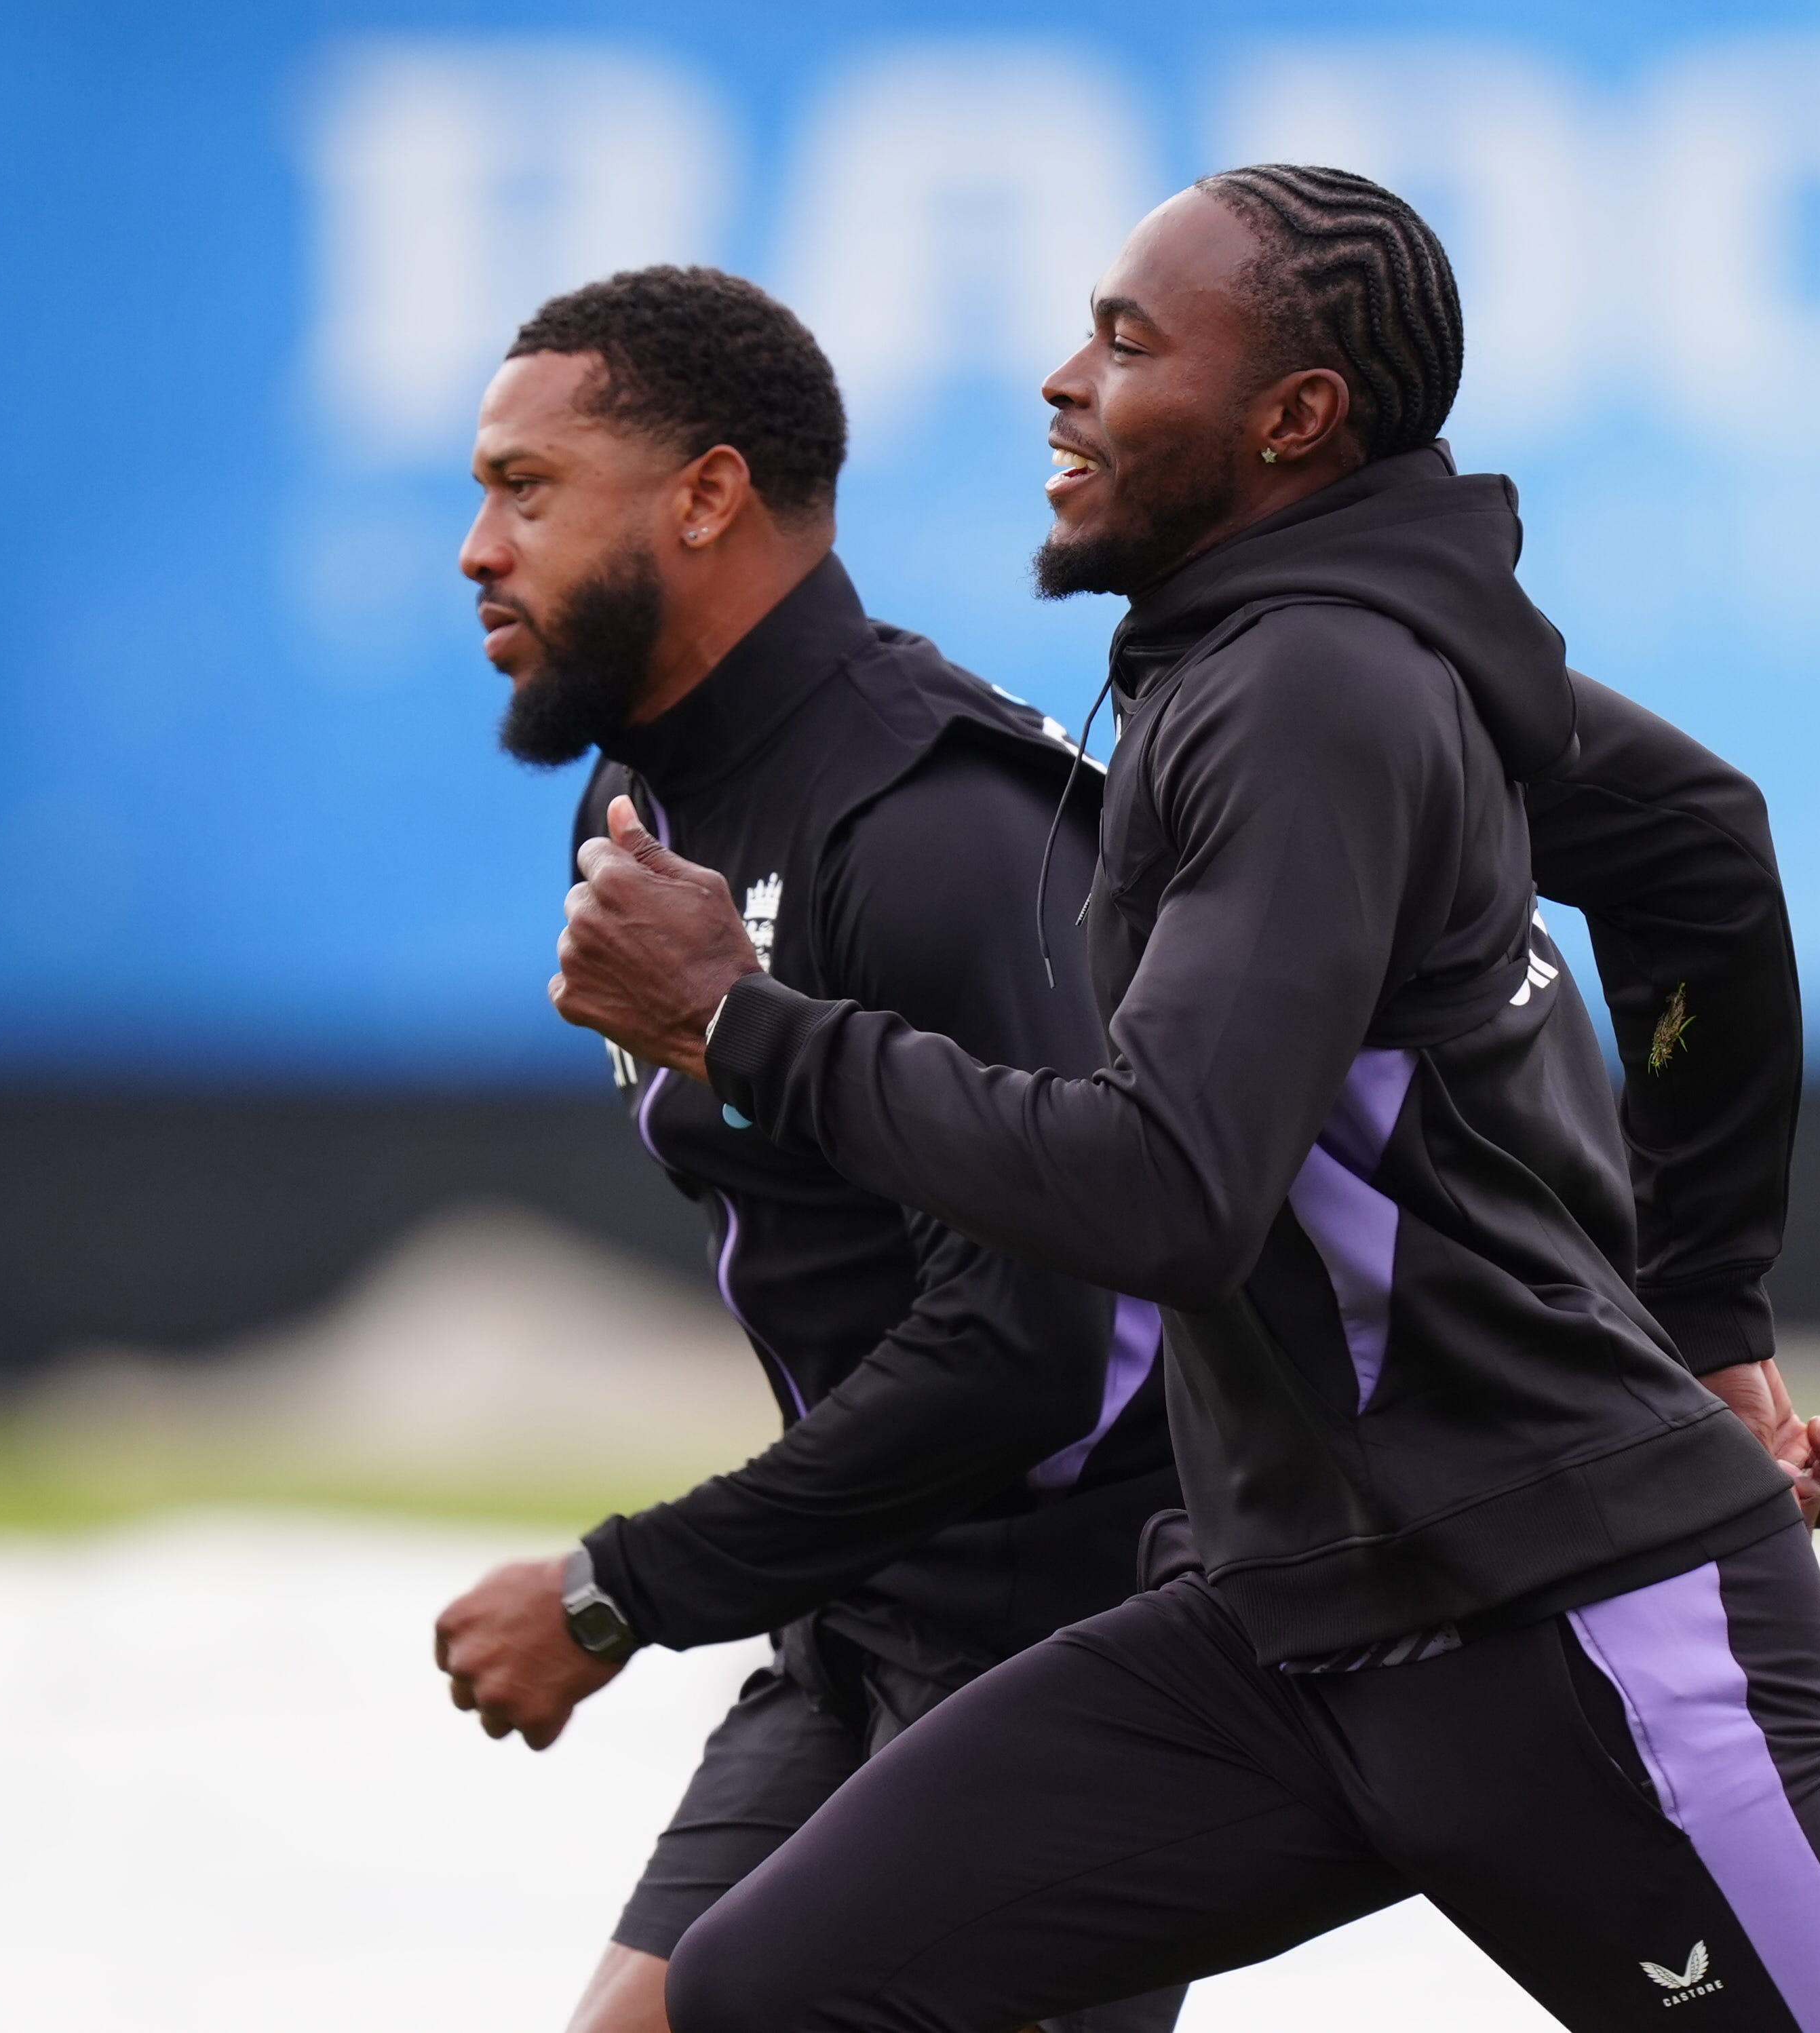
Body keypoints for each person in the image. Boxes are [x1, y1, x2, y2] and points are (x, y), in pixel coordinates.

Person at [547, 168, 1820, 2033]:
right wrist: (1708, 1317)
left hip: (1571, 1632)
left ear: (1296, 421)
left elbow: (1169, 1194)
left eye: (1130, 344)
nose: (1064, 380)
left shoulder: (1309, 686)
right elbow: (1702, 852)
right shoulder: (1292, 653)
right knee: (772, 1989)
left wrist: (751, 1024)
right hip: (1298, 1630)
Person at [425, 267, 1188, 2033]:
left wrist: (619, 1593)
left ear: (705, 496)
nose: (478, 547)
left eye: (528, 490)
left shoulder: (936, 823)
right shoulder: (634, 819)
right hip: (865, 1617)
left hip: (1081, 1649)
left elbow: (1036, 1343)